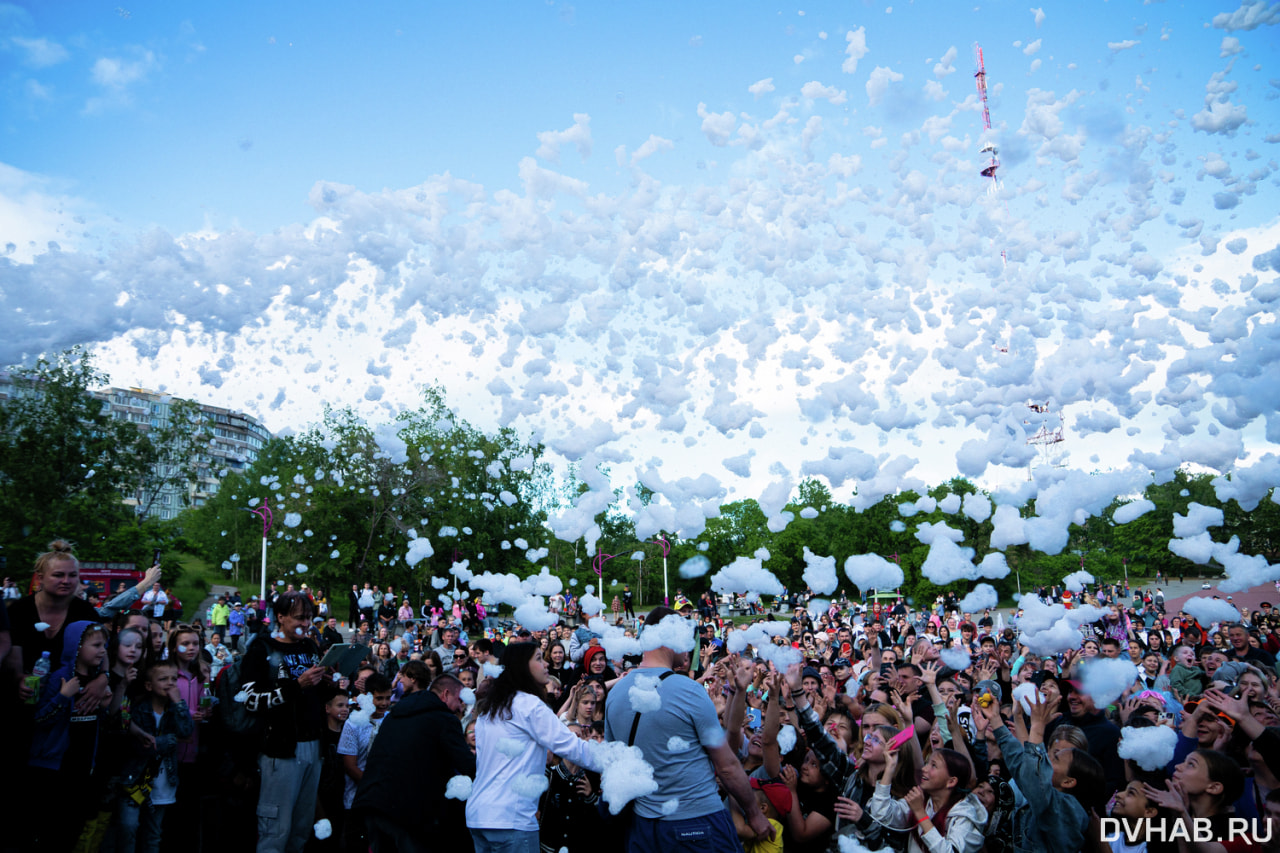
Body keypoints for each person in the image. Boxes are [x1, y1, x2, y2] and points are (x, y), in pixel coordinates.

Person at [603, 606, 772, 852]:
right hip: (696, 823)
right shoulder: (688, 690)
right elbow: (726, 766)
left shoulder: (615, 694)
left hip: (643, 827)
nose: (689, 646)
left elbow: (614, 765)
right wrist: (754, 813)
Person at [468, 641, 605, 853]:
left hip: (479, 816)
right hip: (511, 818)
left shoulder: (490, 709)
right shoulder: (529, 705)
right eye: (539, 659)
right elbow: (572, 747)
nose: (546, 664)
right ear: (523, 666)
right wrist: (617, 762)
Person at [240, 590, 329, 853]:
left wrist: (331, 682)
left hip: (314, 745)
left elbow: (313, 693)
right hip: (281, 750)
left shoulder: (309, 646)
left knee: (301, 830)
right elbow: (249, 699)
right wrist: (296, 686)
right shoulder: (261, 647)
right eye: (299, 618)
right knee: (276, 831)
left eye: (309, 618)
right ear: (280, 617)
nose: (305, 623)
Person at [352, 671, 474, 852]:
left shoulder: (395, 715)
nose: (461, 707)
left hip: (373, 802)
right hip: (405, 811)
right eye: (460, 699)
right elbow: (467, 765)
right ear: (446, 694)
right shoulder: (444, 719)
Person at [104, 658, 195, 853]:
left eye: (173, 679)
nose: (170, 684)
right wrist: (171, 740)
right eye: (163, 679)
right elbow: (142, 747)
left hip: (163, 783)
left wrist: (179, 703)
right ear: (148, 685)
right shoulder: (139, 709)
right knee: (128, 828)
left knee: (153, 834)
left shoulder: (175, 708)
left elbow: (187, 730)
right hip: (135, 780)